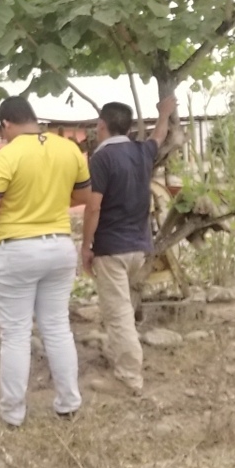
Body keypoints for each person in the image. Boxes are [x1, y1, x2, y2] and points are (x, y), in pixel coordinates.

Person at [0, 97, 92, 427]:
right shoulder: (68, 149)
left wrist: (12, 203)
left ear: (6, 124)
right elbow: (84, 195)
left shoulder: (7, 155)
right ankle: (68, 404)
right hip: (59, 246)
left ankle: (13, 414)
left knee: (15, 334)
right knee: (57, 327)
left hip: (17, 250)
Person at [80, 95, 176, 396]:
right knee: (123, 309)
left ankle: (129, 378)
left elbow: (93, 207)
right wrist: (165, 113)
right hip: (140, 245)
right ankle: (122, 358)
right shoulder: (141, 151)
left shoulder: (101, 159)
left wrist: (86, 245)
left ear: (101, 126)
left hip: (112, 248)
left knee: (118, 313)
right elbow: (159, 135)